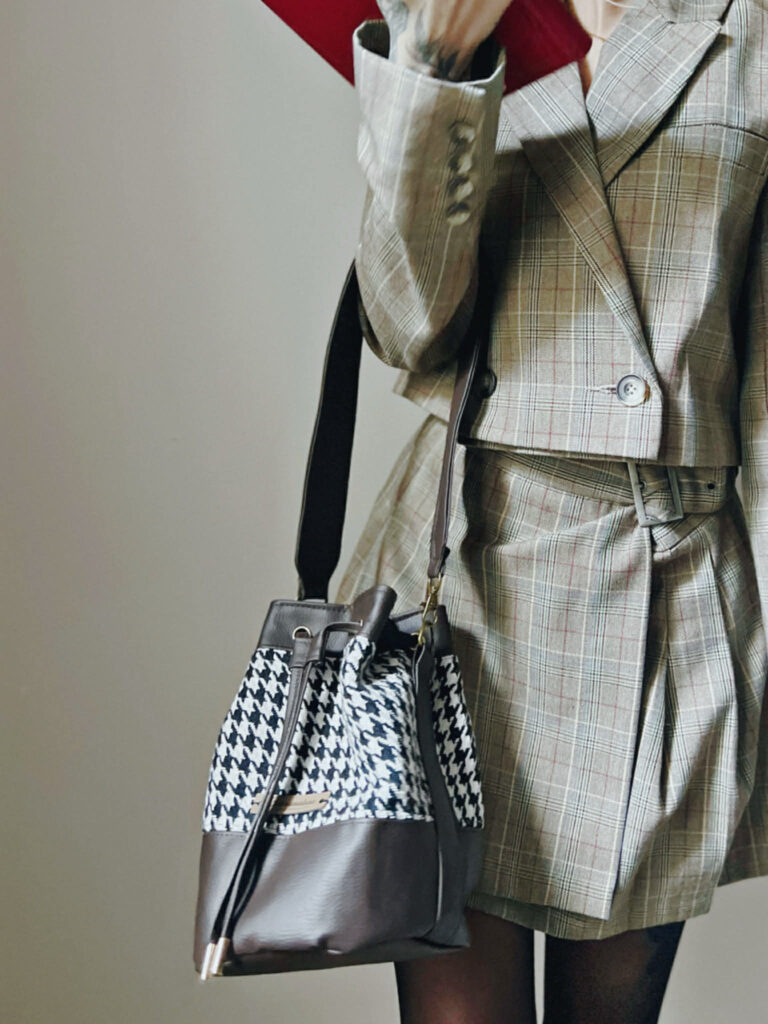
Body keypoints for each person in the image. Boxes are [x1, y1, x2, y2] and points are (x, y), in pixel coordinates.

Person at [334, 0, 768, 1021]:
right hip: (467, 586)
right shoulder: (456, 18)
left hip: (665, 595)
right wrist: (436, 63)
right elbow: (403, 327)